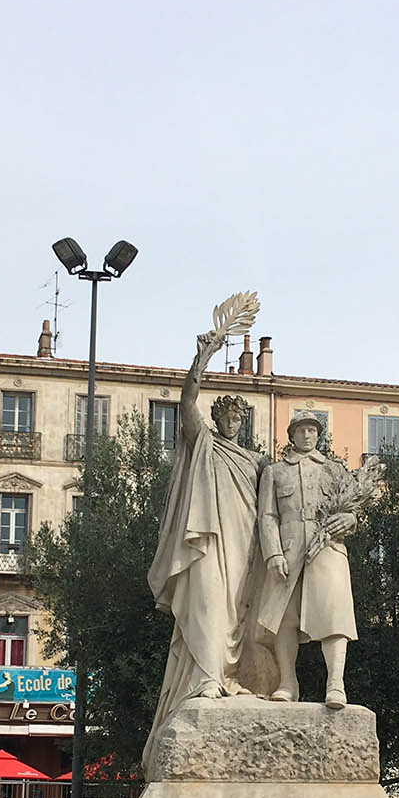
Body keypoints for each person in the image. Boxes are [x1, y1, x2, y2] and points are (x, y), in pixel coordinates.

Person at [144, 312, 270, 762]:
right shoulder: (203, 442)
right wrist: (202, 359)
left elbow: (271, 510)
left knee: (239, 615)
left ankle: (238, 677)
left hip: (246, 547)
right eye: (226, 416)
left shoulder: (255, 463)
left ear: (245, 422)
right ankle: (206, 678)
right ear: (218, 419)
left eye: (238, 417)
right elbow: (186, 403)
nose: (232, 422)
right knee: (208, 608)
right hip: (208, 542)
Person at [256, 412, 358, 708]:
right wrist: (273, 552)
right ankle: (287, 681)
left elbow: (353, 511)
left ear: (319, 434)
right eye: (301, 430)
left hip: (328, 548)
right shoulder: (275, 472)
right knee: (285, 618)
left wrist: (350, 518)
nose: (307, 435)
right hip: (288, 550)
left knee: (334, 615)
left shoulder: (335, 470)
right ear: (292, 435)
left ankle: (336, 683)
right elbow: (267, 516)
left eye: (312, 430)